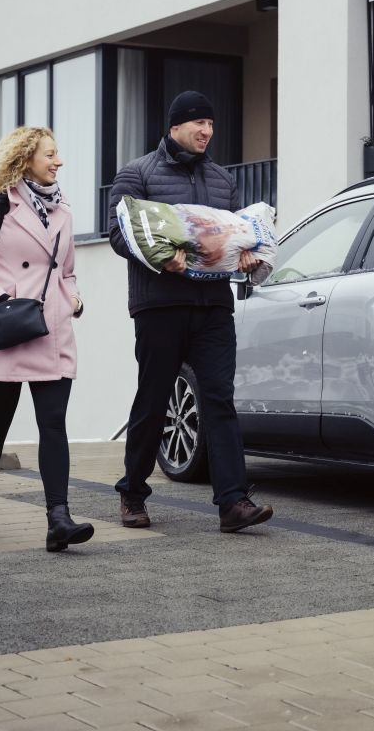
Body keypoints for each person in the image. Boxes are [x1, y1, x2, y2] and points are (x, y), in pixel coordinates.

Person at [108, 90, 273, 533]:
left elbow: (232, 233)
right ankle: (132, 493)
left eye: (212, 124)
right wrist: (162, 257)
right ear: (175, 125)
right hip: (159, 305)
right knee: (153, 399)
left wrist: (245, 255)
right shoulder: (137, 173)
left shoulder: (222, 179)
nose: (207, 131)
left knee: (219, 400)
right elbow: (119, 234)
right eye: (199, 123)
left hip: (213, 306)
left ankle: (233, 503)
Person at [0, 126, 94, 553]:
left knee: (53, 423)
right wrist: (2, 302)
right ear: (25, 158)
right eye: (49, 154)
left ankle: (58, 519)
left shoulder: (62, 209)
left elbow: (66, 270)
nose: (58, 161)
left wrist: (74, 299)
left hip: (52, 331)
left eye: (57, 153)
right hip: (9, 329)